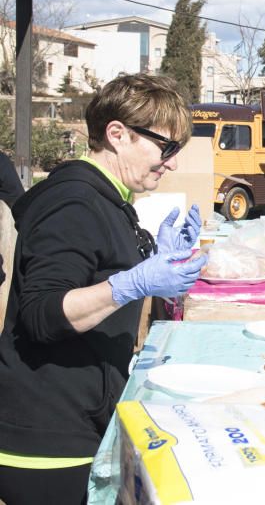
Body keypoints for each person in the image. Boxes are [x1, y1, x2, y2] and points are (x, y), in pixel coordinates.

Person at [0, 74, 206, 505]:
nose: (171, 163)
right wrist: (135, 281)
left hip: (78, 418)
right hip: (47, 441)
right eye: (165, 147)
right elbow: (42, 313)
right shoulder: (75, 201)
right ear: (117, 134)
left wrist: (149, 263)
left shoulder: (106, 197)